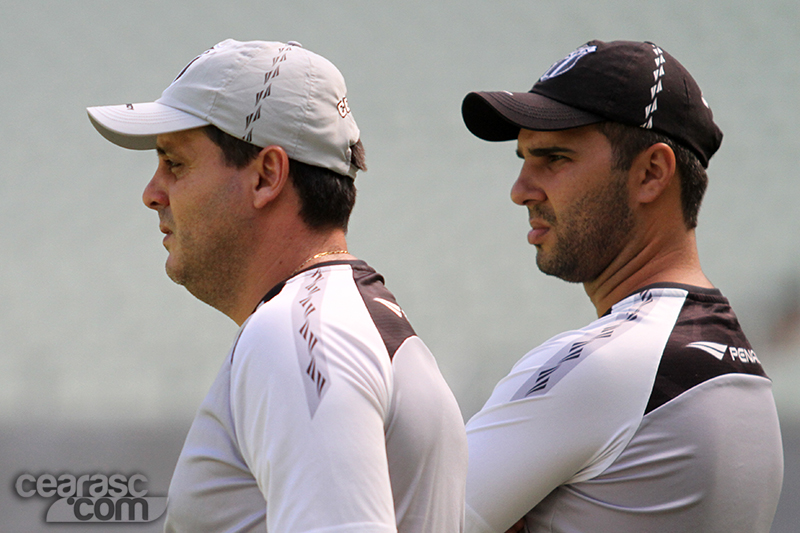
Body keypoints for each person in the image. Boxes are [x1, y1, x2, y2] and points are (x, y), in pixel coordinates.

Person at [87, 39, 467, 532]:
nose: (151, 193)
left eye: (174, 163)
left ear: (267, 176)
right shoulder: (352, 319)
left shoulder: (296, 333)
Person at [460, 40, 783, 533]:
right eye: (523, 158)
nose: (520, 189)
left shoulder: (608, 366)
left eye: (553, 158)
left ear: (651, 173)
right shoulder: (738, 365)